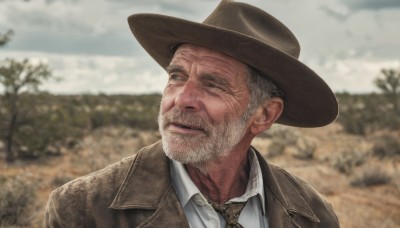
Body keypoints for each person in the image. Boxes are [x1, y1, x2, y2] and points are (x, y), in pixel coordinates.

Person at [45, 0, 340, 227]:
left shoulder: (312, 214)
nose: (182, 99)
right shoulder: (84, 209)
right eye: (176, 76)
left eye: (213, 85)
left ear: (264, 114)